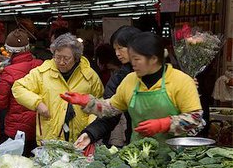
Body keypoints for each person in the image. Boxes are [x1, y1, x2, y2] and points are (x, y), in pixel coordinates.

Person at [61, 32, 204, 149]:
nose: (133, 63)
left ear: (153, 59)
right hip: (139, 153)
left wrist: (164, 124)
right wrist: (86, 101)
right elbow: (111, 108)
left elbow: (195, 118)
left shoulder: (181, 81)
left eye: (137, 59)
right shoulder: (130, 80)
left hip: (175, 156)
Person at [12, 33, 104, 144]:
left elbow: (100, 101)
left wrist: (91, 125)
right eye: (57, 57)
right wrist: (37, 104)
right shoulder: (42, 72)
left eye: (66, 58)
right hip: (49, 137)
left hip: (80, 138)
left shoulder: (89, 76)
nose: (61, 62)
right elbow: (18, 88)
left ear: (76, 57)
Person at [86, 26, 142, 148]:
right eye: (115, 49)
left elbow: (193, 117)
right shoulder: (121, 78)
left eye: (120, 48)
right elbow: (111, 112)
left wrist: (164, 124)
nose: (117, 53)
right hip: (135, 140)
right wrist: (90, 133)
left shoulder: (174, 77)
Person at [0, 29, 43, 155]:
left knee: (14, 164)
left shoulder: (9, 71)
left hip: (17, 128)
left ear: (9, 51)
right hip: (40, 125)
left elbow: (1, 103)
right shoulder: (41, 66)